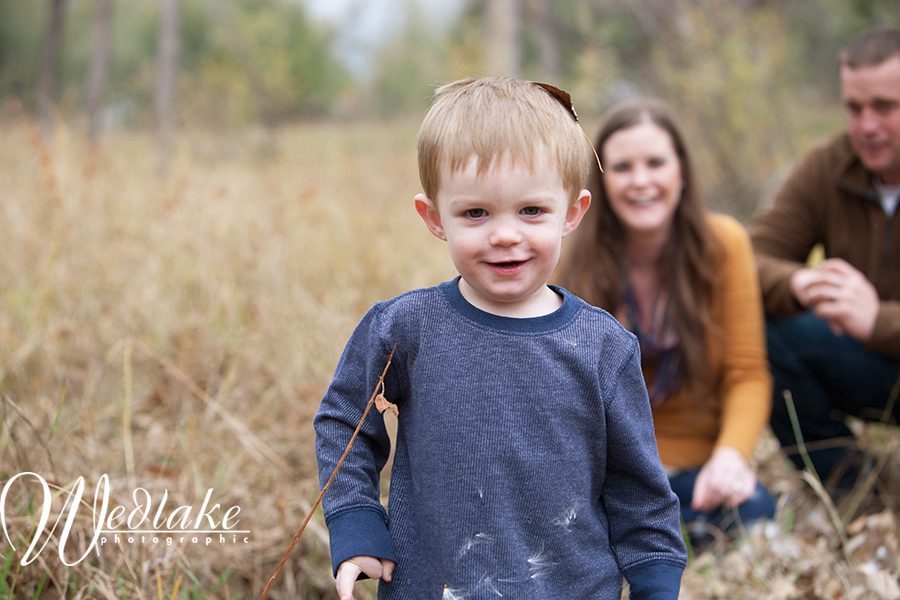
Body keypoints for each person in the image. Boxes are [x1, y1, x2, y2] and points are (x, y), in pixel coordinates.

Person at [314, 77, 686, 600]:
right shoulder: (405, 328)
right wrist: (355, 524)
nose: (505, 234)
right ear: (434, 217)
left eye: (531, 210)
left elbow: (639, 491)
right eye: (476, 213)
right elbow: (344, 420)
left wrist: (655, 580)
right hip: (434, 585)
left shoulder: (604, 348)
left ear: (573, 213)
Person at [557, 98, 776, 541]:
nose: (641, 181)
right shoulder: (572, 258)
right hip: (611, 477)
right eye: (622, 168)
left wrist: (731, 456)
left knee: (755, 509)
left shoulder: (725, 245)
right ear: (601, 180)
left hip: (700, 476)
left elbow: (747, 374)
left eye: (655, 163)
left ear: (681, 171)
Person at [750, 27, 900, 490]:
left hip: (879, 336)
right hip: (874, 369)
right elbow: (747, 258)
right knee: (766, 335)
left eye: (885, 107)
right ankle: (854, 487)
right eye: (854, 108)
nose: (867, 126)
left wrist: (877, 320)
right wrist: (797, 284)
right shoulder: (829, 167)